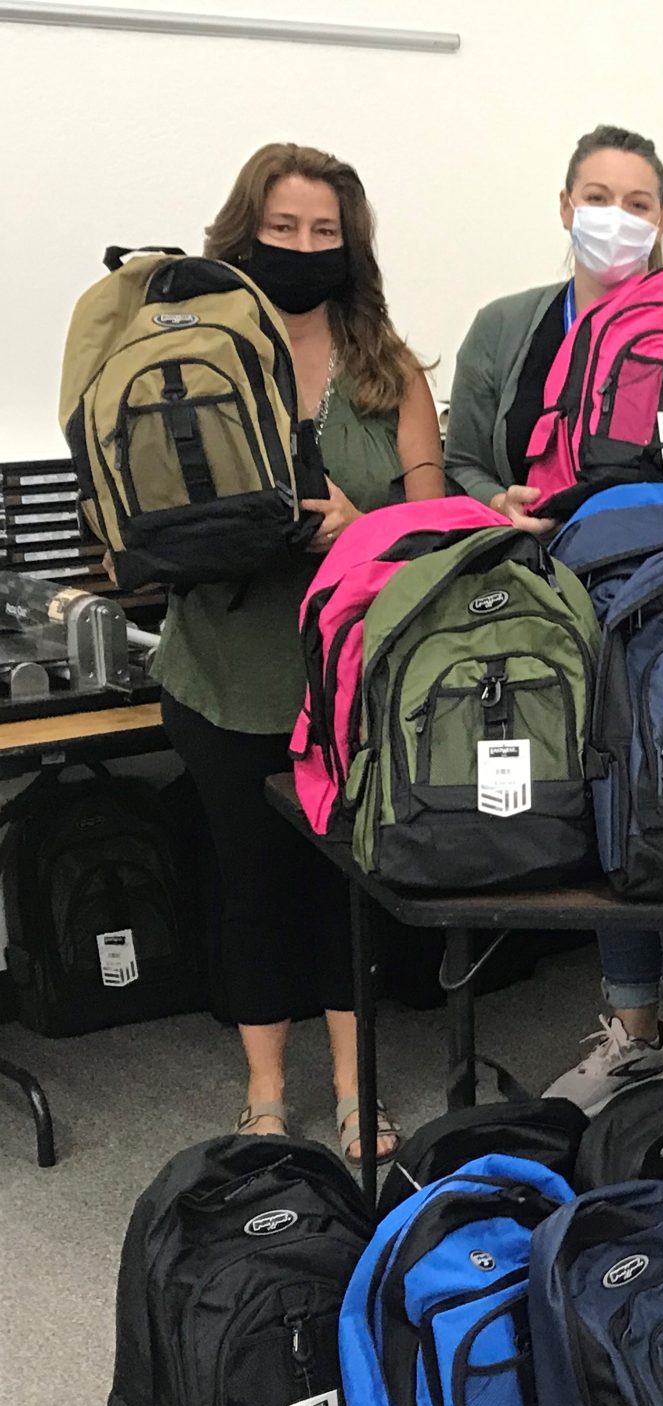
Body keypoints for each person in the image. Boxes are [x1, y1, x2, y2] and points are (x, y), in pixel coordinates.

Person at [445, 125, 663, 1110]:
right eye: (598, 196)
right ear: (565, 205)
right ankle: (631, 1032)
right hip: (553, 600)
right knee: (600, 811)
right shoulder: (508, 327)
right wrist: (498, 505)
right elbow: (462, 459)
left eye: (638, 202)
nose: (616, 217)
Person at [155, 142, 444, 1160]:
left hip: (346, 684)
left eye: (325, 231)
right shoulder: (188, 359)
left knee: (343, 892)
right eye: (283, 227)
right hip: (222, 673)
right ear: (244, 234)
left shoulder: (388, 369)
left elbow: (429, 527)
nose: (304, 246)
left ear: (351, 246)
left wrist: (361, 524)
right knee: (252, 884)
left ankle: (359, 1091)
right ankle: (267, 1094)